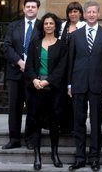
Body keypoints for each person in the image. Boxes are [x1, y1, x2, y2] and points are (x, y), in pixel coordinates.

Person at [68, 1, 102, 171]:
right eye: (89, 12)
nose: (92, 15)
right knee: (78, 122)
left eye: (95, 12)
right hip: (78, 84)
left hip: (97, 85)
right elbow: (71, 61)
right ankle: (80, 157)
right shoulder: (75, 35)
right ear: (84, 15)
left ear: (98, 14)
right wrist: (69, 84)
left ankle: (94, 157)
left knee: (95, 123)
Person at [25, 12, 68, 170]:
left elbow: (61, 68)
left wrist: (47, 81)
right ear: (42, 26)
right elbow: (29, 66)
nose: (48, 26)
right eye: (46, 23)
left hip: (54, 90)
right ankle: (37, 156)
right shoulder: (35, 43)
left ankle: (54, 154)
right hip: (36, 89)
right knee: (35, 122)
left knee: (54, 123)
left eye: (51, 23)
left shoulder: (62, 45)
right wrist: (35, 80)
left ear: (55, 25)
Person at [2, 0, 41, 150]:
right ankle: (14, 139)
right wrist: (19, 62)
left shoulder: (42, 26)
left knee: (33, 107)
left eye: (33, 7)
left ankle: (30, 138)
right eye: (28, 7)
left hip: (34, 75)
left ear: (37, 9)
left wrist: (30, 66)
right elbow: (7, 46)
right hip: (15, 72)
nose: (30, 9)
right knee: (14, 107)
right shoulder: (13, 26)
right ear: (24, 9)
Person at [59, 1, 86, 135]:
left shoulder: (84, 26)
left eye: (75, 11)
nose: (73, 14)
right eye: (70, 11)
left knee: (75, 96)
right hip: (63, 65)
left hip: (77, 65)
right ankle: (64, 125)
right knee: (63, 96)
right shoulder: (63, 26)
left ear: (80, 13)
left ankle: (75, 125)